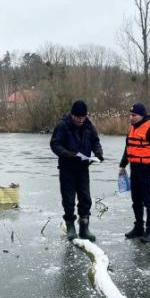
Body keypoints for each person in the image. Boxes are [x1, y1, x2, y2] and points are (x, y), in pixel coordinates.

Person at [50, 100, 104, 241]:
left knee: (85, 198)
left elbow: (95, 140)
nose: (80, 120)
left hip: (83, 168)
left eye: (83, 117)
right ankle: (70, 226)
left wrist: (98, 152)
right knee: (68, 199)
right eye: (78, 117)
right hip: (67, 168)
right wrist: (68, 154)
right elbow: (55, 144)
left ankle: (84, 228)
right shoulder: (62, 125)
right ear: (72, 115)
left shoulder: (87, 125)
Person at [119, 102, 150, 243]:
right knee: (136, 201)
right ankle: (139, 227)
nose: (131, 118)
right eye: (130, 115)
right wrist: (123, 165)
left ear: (142, 115)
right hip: (135, 169)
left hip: (148, 171)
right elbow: (129, 149)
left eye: (134, 115)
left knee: (148, 201)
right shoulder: (132, 129)